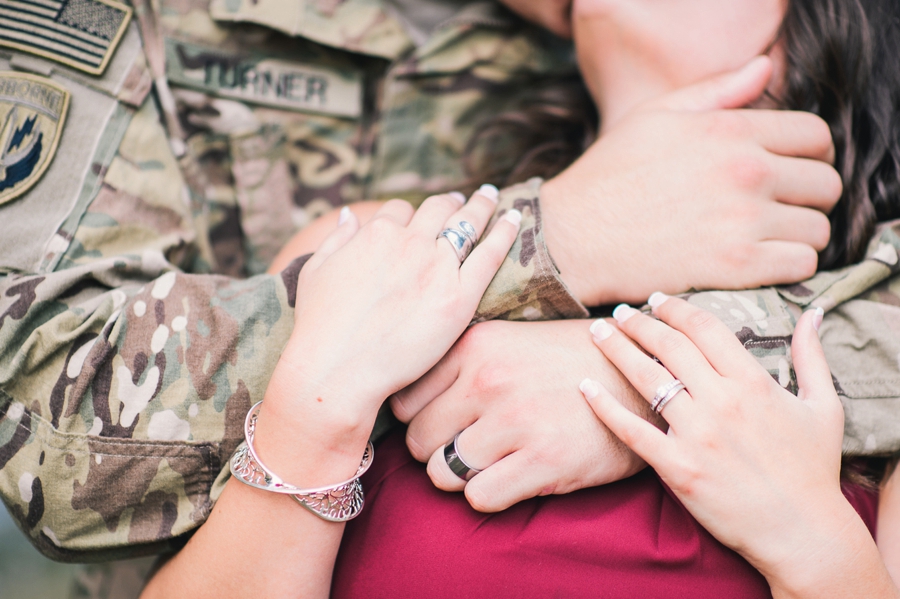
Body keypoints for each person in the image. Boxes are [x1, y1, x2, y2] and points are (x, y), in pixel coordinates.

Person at [0, 0, 862, 577]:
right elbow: (42, 423)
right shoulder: (356, 241)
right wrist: (555, 238)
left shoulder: (866, 281)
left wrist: (639, 378)